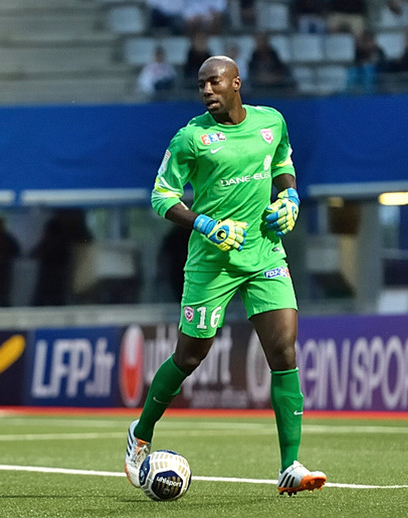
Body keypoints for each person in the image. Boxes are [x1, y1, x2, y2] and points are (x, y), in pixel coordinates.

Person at [125, 55, 326, 496]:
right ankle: (139, 434)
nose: (207, 91)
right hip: (211, 261)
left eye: (214, 82)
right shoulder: (190, 138)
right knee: (189, 358)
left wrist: (289, 199)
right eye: (201, 86)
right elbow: (161, 196)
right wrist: (203, 223)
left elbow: (282, 163)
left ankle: (289, 466)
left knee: (284, 350)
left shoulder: (271, 121)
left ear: (237, 82)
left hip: (263, 253)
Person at [346, 30, 386, 94]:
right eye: (366, 41)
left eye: (370, 41)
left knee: (368, 69)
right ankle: (349, 93)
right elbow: (354, 62)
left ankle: (368, 92)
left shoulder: (379, 50)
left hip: (375, 70)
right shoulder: (358, 51)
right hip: (360, 70)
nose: (368, 43)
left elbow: (383, 63)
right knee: (352, 72)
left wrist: (373, 61)